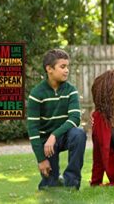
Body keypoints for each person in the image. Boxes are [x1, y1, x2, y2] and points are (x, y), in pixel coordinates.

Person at [27, 49, 86, 190]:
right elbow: (33, 129)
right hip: (45, 144)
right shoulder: (36, 94)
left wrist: (54, 135)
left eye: (67, 67)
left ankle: (72, 182)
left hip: (63, 137)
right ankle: (54, 179)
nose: (67, 70)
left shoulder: (71, 90)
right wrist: (41, 159)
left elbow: (75, 118)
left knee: (79, 133)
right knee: (50, 185)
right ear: (49, 69)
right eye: (62, 66)